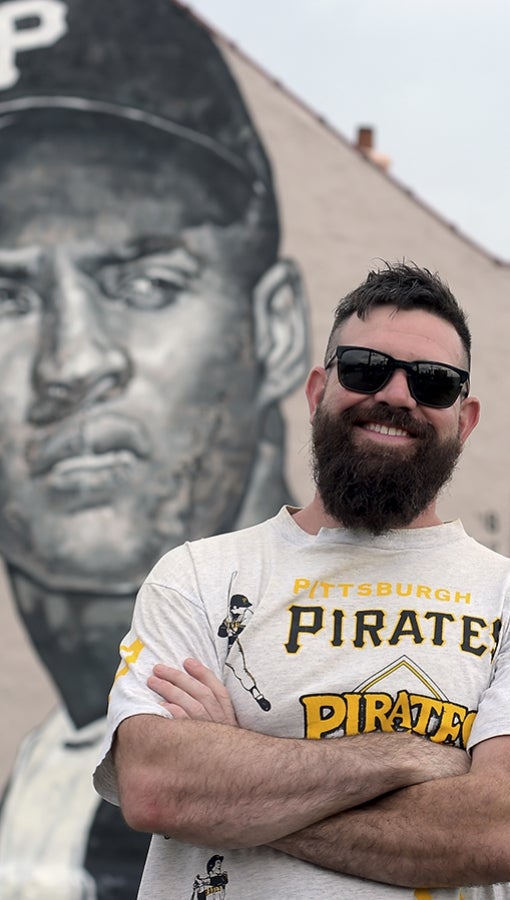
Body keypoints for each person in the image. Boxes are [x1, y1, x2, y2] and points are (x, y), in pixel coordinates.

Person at [0, 1, 308, 897]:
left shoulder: (387, 678)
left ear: (277, 329)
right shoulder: (45, 782)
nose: (72, 363)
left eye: (145, 280)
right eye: (6, 297)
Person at [94, 262, 510, 898]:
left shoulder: (503, 596)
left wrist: (233, 779)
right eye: (366, 368)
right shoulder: (200, 577)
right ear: (318, 389)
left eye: (433, 382)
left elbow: (493, 833)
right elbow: (155, 786)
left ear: (467, 417)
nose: (397, 395)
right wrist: (412, 756)